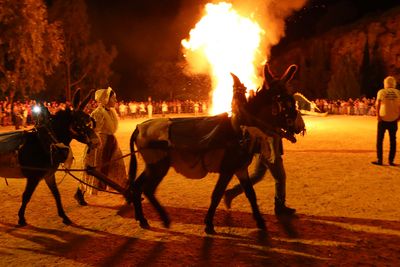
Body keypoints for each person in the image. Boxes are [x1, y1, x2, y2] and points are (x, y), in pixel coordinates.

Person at [75, 87, 127, 205]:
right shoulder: (98, 113)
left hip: (111, 142)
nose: (115, 100)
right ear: (105, 100)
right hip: (99, 144)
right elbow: (93, 128)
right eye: (113, 98)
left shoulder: (111, 111)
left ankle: (125, 191)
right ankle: (79, 192)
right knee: (94, 169)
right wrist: (95, 142)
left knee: (118, 166)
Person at [224, 140, 296, 216]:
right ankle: (280, 207)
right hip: (268, 149)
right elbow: (269, 132)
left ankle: (231, 193)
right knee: (280, 178)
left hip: (262, 149)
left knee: (258, 175)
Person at [371, 76, 400, 166]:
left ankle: (380, 159)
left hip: (383, 118)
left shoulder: (381, 92)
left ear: (385, 83)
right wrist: (399, 117)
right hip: (394, 118)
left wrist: (378, 116)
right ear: (394, 83)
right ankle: (391, 161)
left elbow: (378, 104)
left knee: (379, 140)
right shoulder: (398, 92)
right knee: (393, 140)